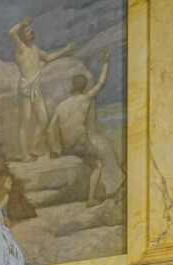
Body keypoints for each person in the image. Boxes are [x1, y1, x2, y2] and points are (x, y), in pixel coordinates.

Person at [47, 51, 124, 207]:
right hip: (81, 142)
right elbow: (101, 83)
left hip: (67, 146)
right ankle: (91, 199)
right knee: (98, 164)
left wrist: (54, 150)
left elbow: (50, 130)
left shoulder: (61, 105)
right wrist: (106, 63)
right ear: (83, 87)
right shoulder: (85, 99)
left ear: (72, 86)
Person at [9, 17, 76, 161]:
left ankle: (33, 149)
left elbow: (48, 57)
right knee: (25, 122)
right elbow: (10, 33)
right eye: (27, 31)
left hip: (36, 88)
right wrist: (22, 23)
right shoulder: (21, 48)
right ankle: (24, 155)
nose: (30, 31)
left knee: (43, 119)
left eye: (30, 29)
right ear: (22, 36)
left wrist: (66, 49)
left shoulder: (35, 49)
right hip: (26, 89)